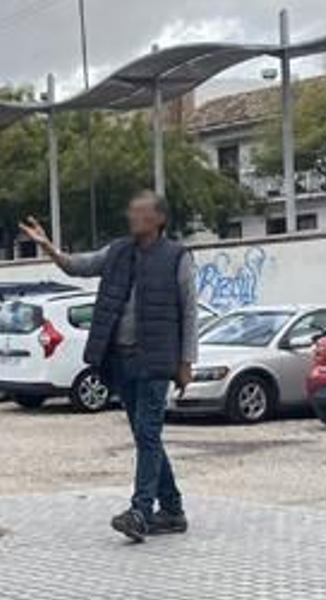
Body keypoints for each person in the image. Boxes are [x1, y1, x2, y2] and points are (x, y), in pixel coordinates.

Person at [18, 190, 199, 543]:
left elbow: (189, 311)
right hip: (121, 359)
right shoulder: (118, 251)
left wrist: (186, 362)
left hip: (156, 360)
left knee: (147, 434)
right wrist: (48, 247)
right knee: (145, 435)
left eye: (140, 211)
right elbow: (78, 265)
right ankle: (172, 510)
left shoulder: (177, 257)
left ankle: (140, 512)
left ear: (159, 219)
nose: (132, 216)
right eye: (131, 210)